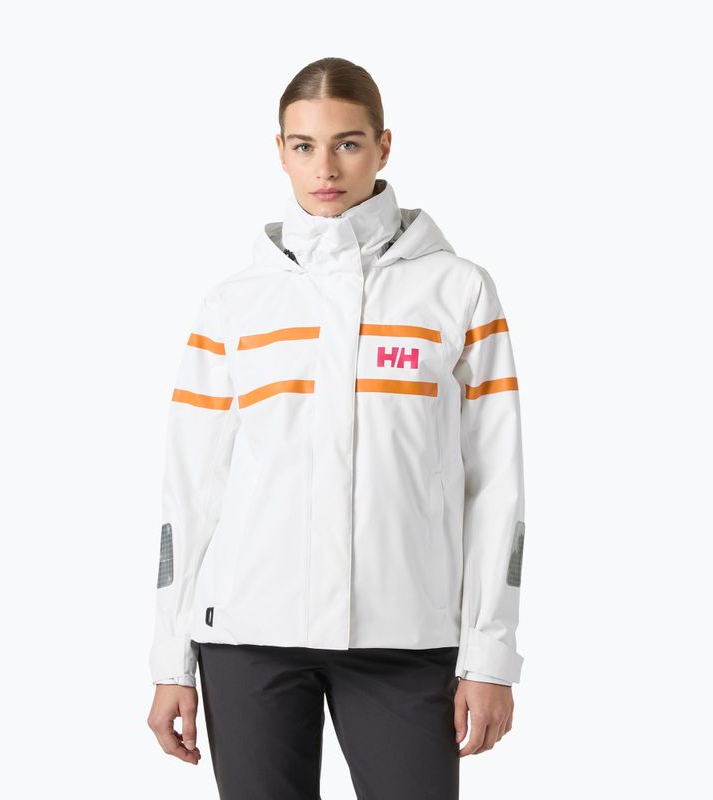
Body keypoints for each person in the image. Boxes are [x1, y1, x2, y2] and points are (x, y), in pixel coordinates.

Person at [147, 56, 526, 799]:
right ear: (280, 151)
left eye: (348, 144)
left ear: (384, 147)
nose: (325, 168)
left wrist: (491, 655)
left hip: (406, 636)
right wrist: (170, 662)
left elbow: (496, 487)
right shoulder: (234, 304)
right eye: (304, 146)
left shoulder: (457, 291)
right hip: (247, 639)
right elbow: (189, 493)